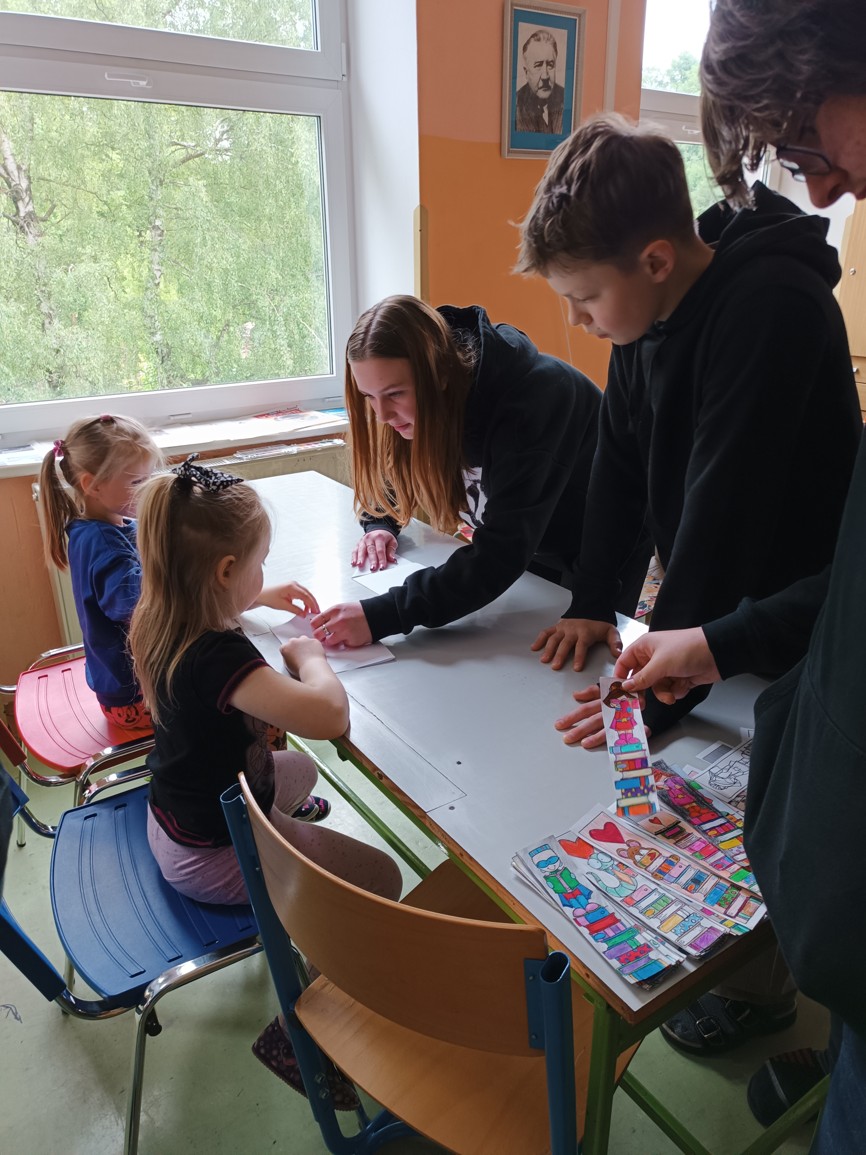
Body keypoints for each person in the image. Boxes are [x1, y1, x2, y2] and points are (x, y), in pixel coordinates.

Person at [605, 1, 866, 1145]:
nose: (824, 185)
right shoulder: (670, 312)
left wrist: (692, 655)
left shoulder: (764, 305)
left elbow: (720, 513)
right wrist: (702, 642)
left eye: (806, 142)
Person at [514, 112, 862, 748]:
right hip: (716, 630)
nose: (577, 319)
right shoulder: (642, 311)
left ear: (655, 261)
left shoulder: (772, 304)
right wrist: (592, 598)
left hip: (805, 622)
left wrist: (655, 693)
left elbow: (725, 507)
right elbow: (617, 466)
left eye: (585, 298)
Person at [129, 455, 402, 1103]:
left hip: (175, 815)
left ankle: (284, 838)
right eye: (258, 565)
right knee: (381, 878)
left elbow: (222, 594)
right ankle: (299, 1033)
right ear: (224, 571)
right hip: (210, 853)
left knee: (300, 769)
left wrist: (262, 594)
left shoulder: (165, 615)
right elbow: (328, 716)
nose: (261, 576)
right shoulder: (221, 659)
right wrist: (310, 656)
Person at [309, 295, 648, 647]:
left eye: (394, 394)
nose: (382, 415)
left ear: (440, 375)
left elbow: (500, 554)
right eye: (368, 396)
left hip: (602, 548)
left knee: (580, 659)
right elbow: (396, 467)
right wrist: (381, 522)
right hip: (532, 540)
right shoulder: (414, 404)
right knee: (519, 646)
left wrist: (382, 615)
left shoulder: (532, 403)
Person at [39, 414, 162, 729]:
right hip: (133, 700)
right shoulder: (103, 545)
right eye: (137, 482)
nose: (148, 488)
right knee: (233, 703)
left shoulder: (104, 527)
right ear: (92, 485)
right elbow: (144, 606)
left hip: (121, 686)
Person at [515, 28, 565, 134]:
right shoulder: (515, 104)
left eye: (550, 65)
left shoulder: (566, 100)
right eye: (538, 65)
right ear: (526, 72)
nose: (545, 76)